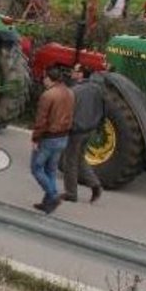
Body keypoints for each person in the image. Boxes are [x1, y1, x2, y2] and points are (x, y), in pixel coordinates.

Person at [31, 68, 74, 214]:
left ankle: (53, 196)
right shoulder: (70, 92)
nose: (43, 81)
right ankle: (48, 203)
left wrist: (36, 138)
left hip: (49, 137)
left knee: (36, 168)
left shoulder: (48, 95)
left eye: (44, 78)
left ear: (49, 79)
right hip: (64, 136)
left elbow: (41, 120)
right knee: (51, 169)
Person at [62, 64, 105, 204]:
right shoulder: (97, 90)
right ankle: (95, 185)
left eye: (74, 71)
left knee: (70, 161)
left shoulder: (74, 91)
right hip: (90, 130)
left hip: (76, 130)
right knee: (80, 159)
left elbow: (67, 113)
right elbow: (103, 109)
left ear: (81, 74)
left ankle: (71, 193)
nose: (71, 73)